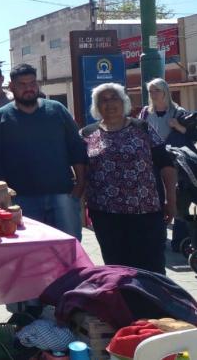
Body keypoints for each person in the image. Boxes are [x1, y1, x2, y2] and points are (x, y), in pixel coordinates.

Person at [0, 63, 87, 239]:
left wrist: (79, 187)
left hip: (62, 195)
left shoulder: (57, 110)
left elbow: (76, 148)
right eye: (22, 84)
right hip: (21, 200)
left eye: (32, 83)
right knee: (31, 253)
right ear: (12, 87)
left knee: (69, 251)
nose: (28, 88)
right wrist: (4, 201)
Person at [81, 83, 177, 274]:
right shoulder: (87, 134)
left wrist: (171, 201)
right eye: (103, 100)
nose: (109, 104)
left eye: (114, 98)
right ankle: (124, 303)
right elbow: (82, 172)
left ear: (123, 102)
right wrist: (80, 207)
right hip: (106, 215)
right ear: (96, 106)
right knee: (117, 268)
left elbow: (166, 165)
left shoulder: (142, 128)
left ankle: (155, 303)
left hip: (146, 213)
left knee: (152, 267)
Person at [139, 77, 189, 252]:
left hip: (173, 160)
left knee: (175, 198)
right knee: (156, 198)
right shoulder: (145, 112)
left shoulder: (177, 112)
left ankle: (179, 240)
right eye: (150, 91)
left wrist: (178, 126)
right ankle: (159, 235)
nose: (152, 94)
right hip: (152, 161)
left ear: (165, 92)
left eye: (156, 91)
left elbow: (191, 134)